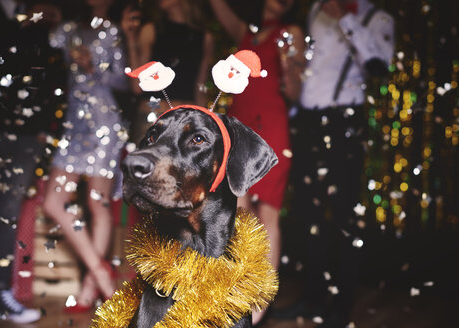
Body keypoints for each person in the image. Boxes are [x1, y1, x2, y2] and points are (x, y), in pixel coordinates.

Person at [281, 0, 395, 326]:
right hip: (309, 120)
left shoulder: (378, 17)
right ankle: (311, 299)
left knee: (343, 214)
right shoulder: (316, 8)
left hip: (344, 122)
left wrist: (346, 19)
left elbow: (378, 65)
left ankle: (341, 307)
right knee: (308, 211)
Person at [0, 0, 65, 326]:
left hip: (26, 134)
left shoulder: (41, 17)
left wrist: (43, 131)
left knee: (7, 216)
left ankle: (0, 296)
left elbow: (54, 74)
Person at [207, 0, 305, 324]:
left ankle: (260, 305)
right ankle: (237, 289)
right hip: (240, 127)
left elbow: (294, 91)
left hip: (273, 127)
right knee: (238, 209)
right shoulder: (245, 32)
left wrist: (292, 66)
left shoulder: (290, 33)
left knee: (268, 214)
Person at [42, 0, 129, 312]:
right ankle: (100, 269)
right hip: (74, 123)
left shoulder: (113, 31)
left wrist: (96, 69)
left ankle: (89, 291)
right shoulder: (67, 30)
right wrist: (44, 17)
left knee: (97, 202)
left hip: (104, 121)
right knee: (54, 201)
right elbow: (44, 45)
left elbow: (123, 80)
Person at [121, 0, 214, 144]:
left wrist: (204, 124)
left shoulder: (204, 38)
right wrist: (131, 40)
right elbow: (137, 86)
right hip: (153, 117)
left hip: (186, 121)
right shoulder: (151, 31)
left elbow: (199, 87)